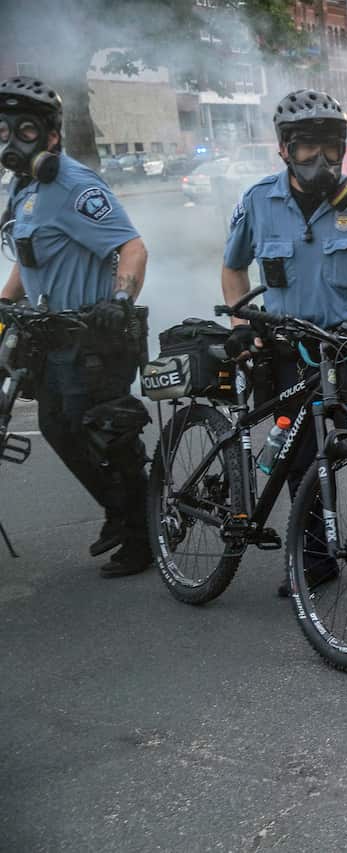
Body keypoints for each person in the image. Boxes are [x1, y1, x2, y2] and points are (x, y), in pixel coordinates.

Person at [220, 88, 347, 598]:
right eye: (308, 145)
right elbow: (233, 266)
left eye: (332, 145)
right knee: (300, 460)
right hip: (289, 353)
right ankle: (314, 561)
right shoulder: (257, 201)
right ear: (284, 148)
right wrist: (241, 323)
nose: (322, 157)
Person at [0, 76, 152, 577]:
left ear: (51, 136)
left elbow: (132, 247)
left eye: (25, 129)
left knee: (106, 434)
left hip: (93, 334)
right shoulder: (23, 190)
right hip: (49, 338)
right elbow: (30, 259)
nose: (12, 141)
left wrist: (121, 299)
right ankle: (122, 512)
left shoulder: (74, 185)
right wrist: (3, 302)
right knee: (57, 428)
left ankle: (141, 537)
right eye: (4, 129)